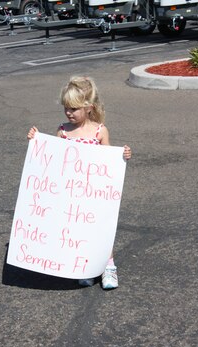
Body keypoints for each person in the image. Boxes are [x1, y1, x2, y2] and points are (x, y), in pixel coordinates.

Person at [27, 76, 131, 290]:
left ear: (89, 108)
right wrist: (36, 140)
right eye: (66, 108)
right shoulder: (63, 131)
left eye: (73, 109)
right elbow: (53, 155)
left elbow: (108, 158)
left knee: (100, 229)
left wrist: (123, 154)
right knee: (77, 231)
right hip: (71, 192)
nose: (68, 113)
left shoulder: (99, 131)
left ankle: (108, 266)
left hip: (95, 191)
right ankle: (85, 267)